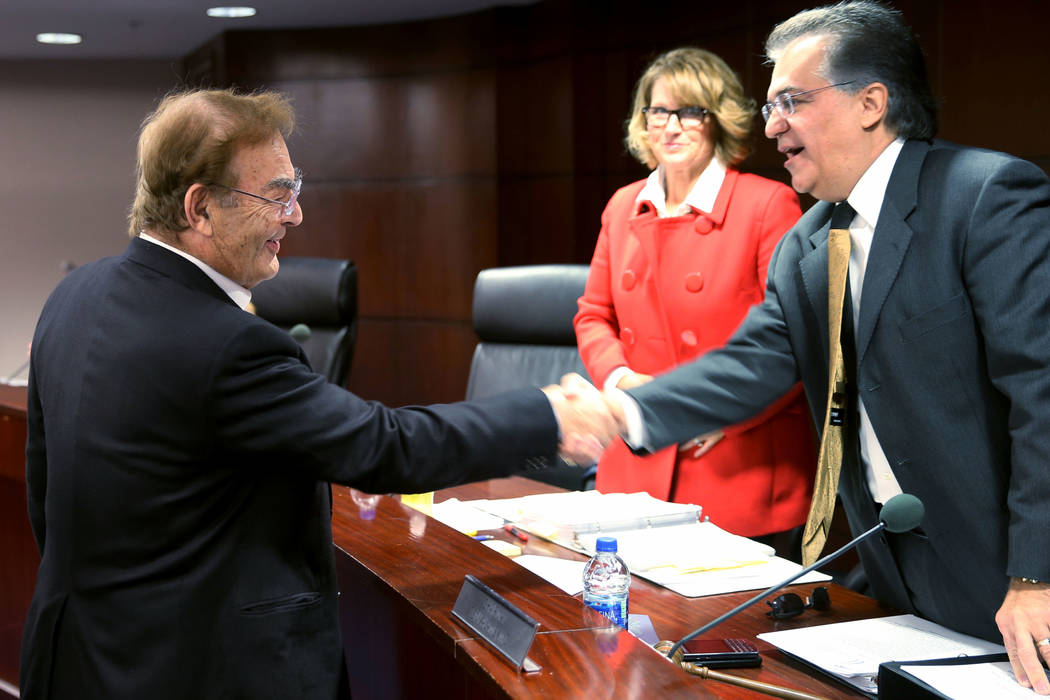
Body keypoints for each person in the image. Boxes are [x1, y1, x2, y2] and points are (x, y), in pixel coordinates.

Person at [20, 88, 615, 700]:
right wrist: (549, 416)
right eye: (276, 193)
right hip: (197, 672)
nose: (296, 214)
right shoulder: (227, 344)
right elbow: (388, 449)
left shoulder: (74, 296)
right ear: (200, 208)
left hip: (73, 661)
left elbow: (48, 502)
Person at [606, 1, 1050, 693]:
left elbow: (1042, 394)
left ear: (871, 102)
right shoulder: (807, 246)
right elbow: (746, 369)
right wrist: (612, 414)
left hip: (1011, 582)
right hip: (893, 573)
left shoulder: (985, 195)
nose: (771, 123)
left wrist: (1037, 576)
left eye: (790, 101)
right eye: (769, 102)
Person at [573, 47, 815, 552]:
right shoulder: (623, 206)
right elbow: (594, 315)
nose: (671, 126)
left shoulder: (768, 203)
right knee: (625, 622)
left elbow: (798, 335)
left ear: (718, 119)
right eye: (658, 111)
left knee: (725, 630)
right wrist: (626, 382)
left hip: (733, 457)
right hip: (639, 458)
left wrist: (716, 412)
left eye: (690, 111)